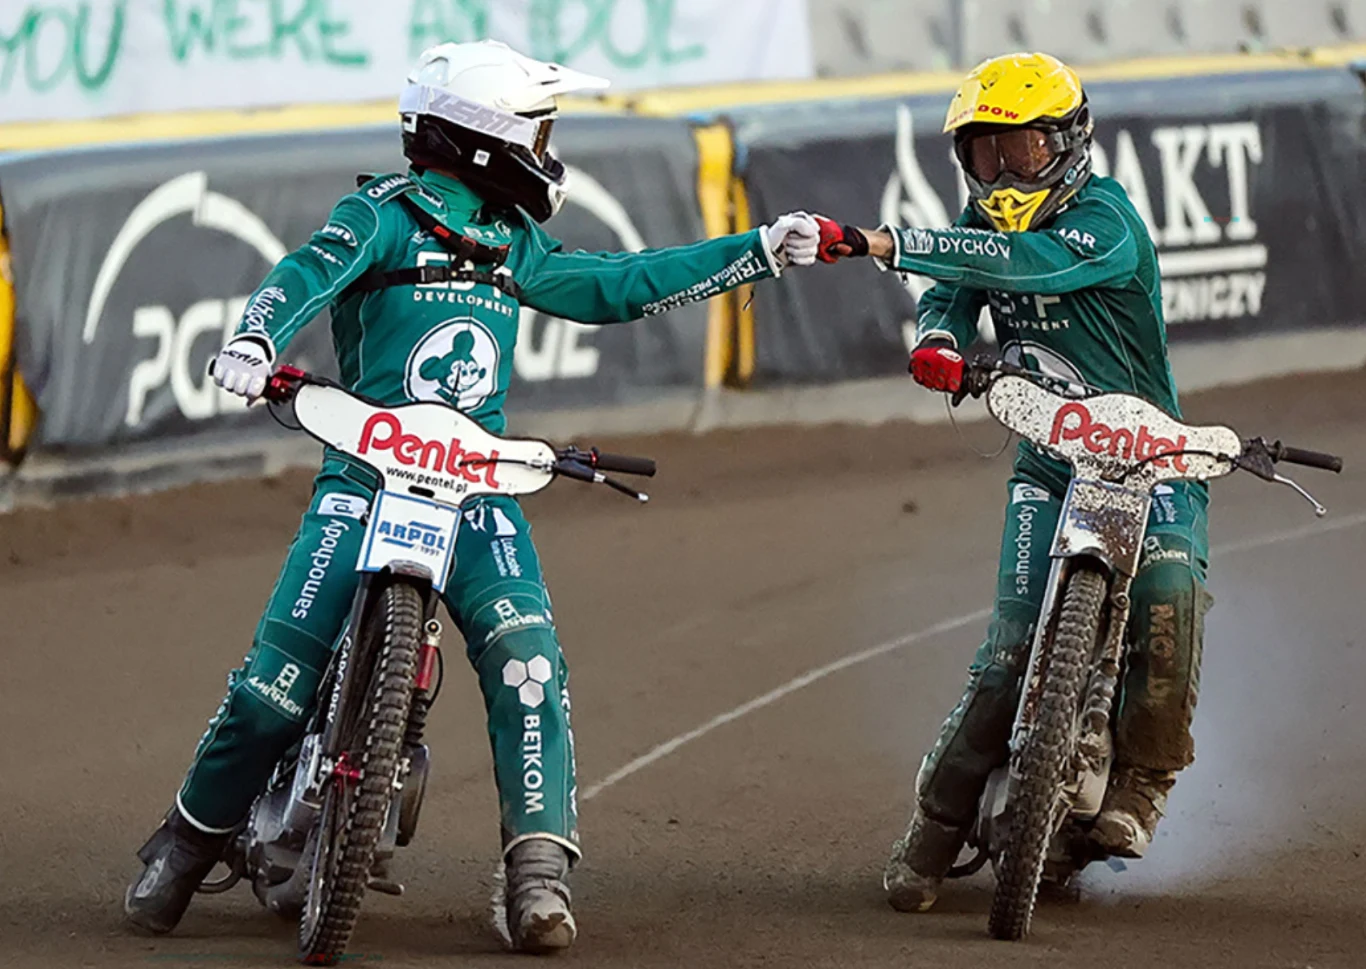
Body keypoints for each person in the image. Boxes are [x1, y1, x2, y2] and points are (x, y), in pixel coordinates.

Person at [123, 39, 821, 952]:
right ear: (485, 138)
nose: (547, 148)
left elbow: (618, 286)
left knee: (529, 661)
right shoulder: (380, 214)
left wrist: (755, 253)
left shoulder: (514, 240)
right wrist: (255, 342)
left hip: (479, 488)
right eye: (538, 130)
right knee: (270, 688)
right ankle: (185, 842)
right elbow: (303, 273)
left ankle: (538, 873)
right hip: (362, 475)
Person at [814, 52, 1212, 912]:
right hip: (1048, 458)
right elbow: (956, 286)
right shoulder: (979, 221)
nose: (1001, 172)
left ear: (1068, 143)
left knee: (1169, 595)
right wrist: (940, 338)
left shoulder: (1108, 221)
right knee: (1006, 652)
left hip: (1152, 456)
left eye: (1022, 149)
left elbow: (1023, 264)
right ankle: (933, 825)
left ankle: (1144, 783)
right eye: (984, 153)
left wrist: (884, 243)